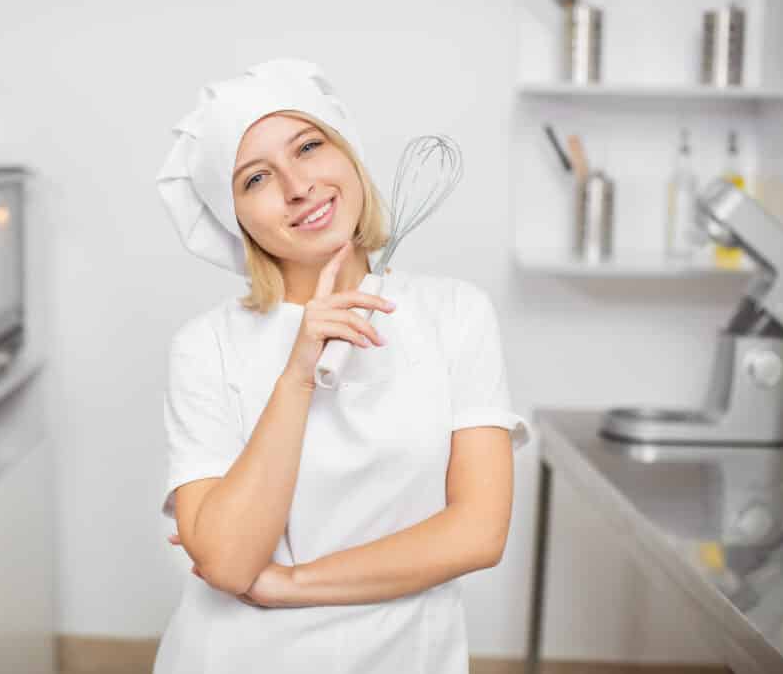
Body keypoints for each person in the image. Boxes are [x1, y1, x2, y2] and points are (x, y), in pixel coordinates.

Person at [153, 57, 533, 674]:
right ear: (235, 220)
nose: (298, 185)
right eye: (255, 178)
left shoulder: (456, 314)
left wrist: (289, 583)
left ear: (348, 153)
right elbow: (227, 562)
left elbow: (478, 533)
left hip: (407, 655)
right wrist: (297, 373)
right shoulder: (206, 346)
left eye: (309, 145)